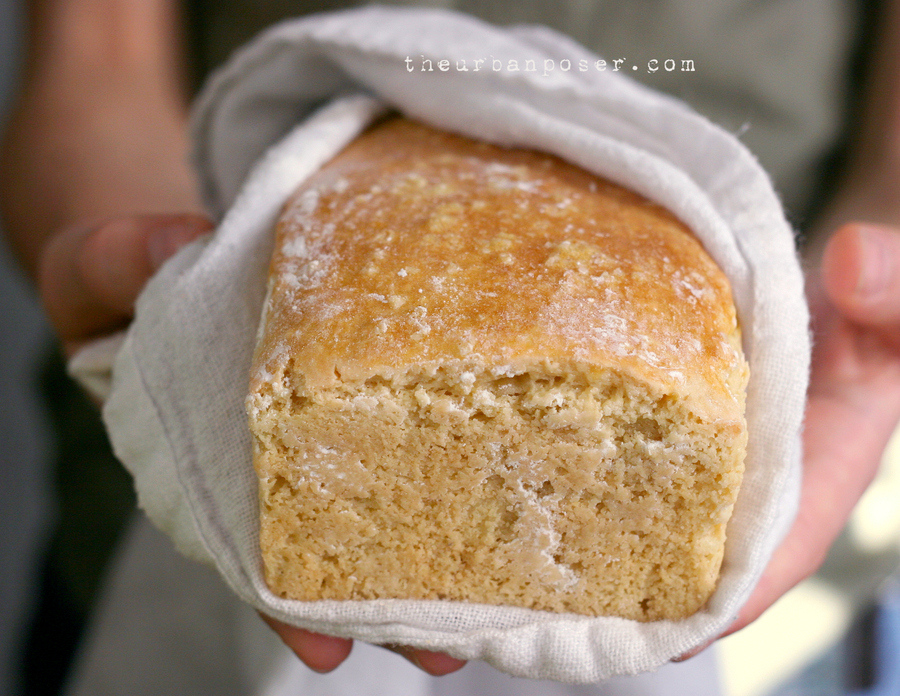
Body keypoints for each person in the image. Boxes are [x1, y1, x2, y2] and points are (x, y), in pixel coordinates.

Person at [2, 0, 900, 690]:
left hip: (772, 642)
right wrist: (164, 306)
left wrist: (862, 274)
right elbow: (96, 62)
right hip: (144, 534)